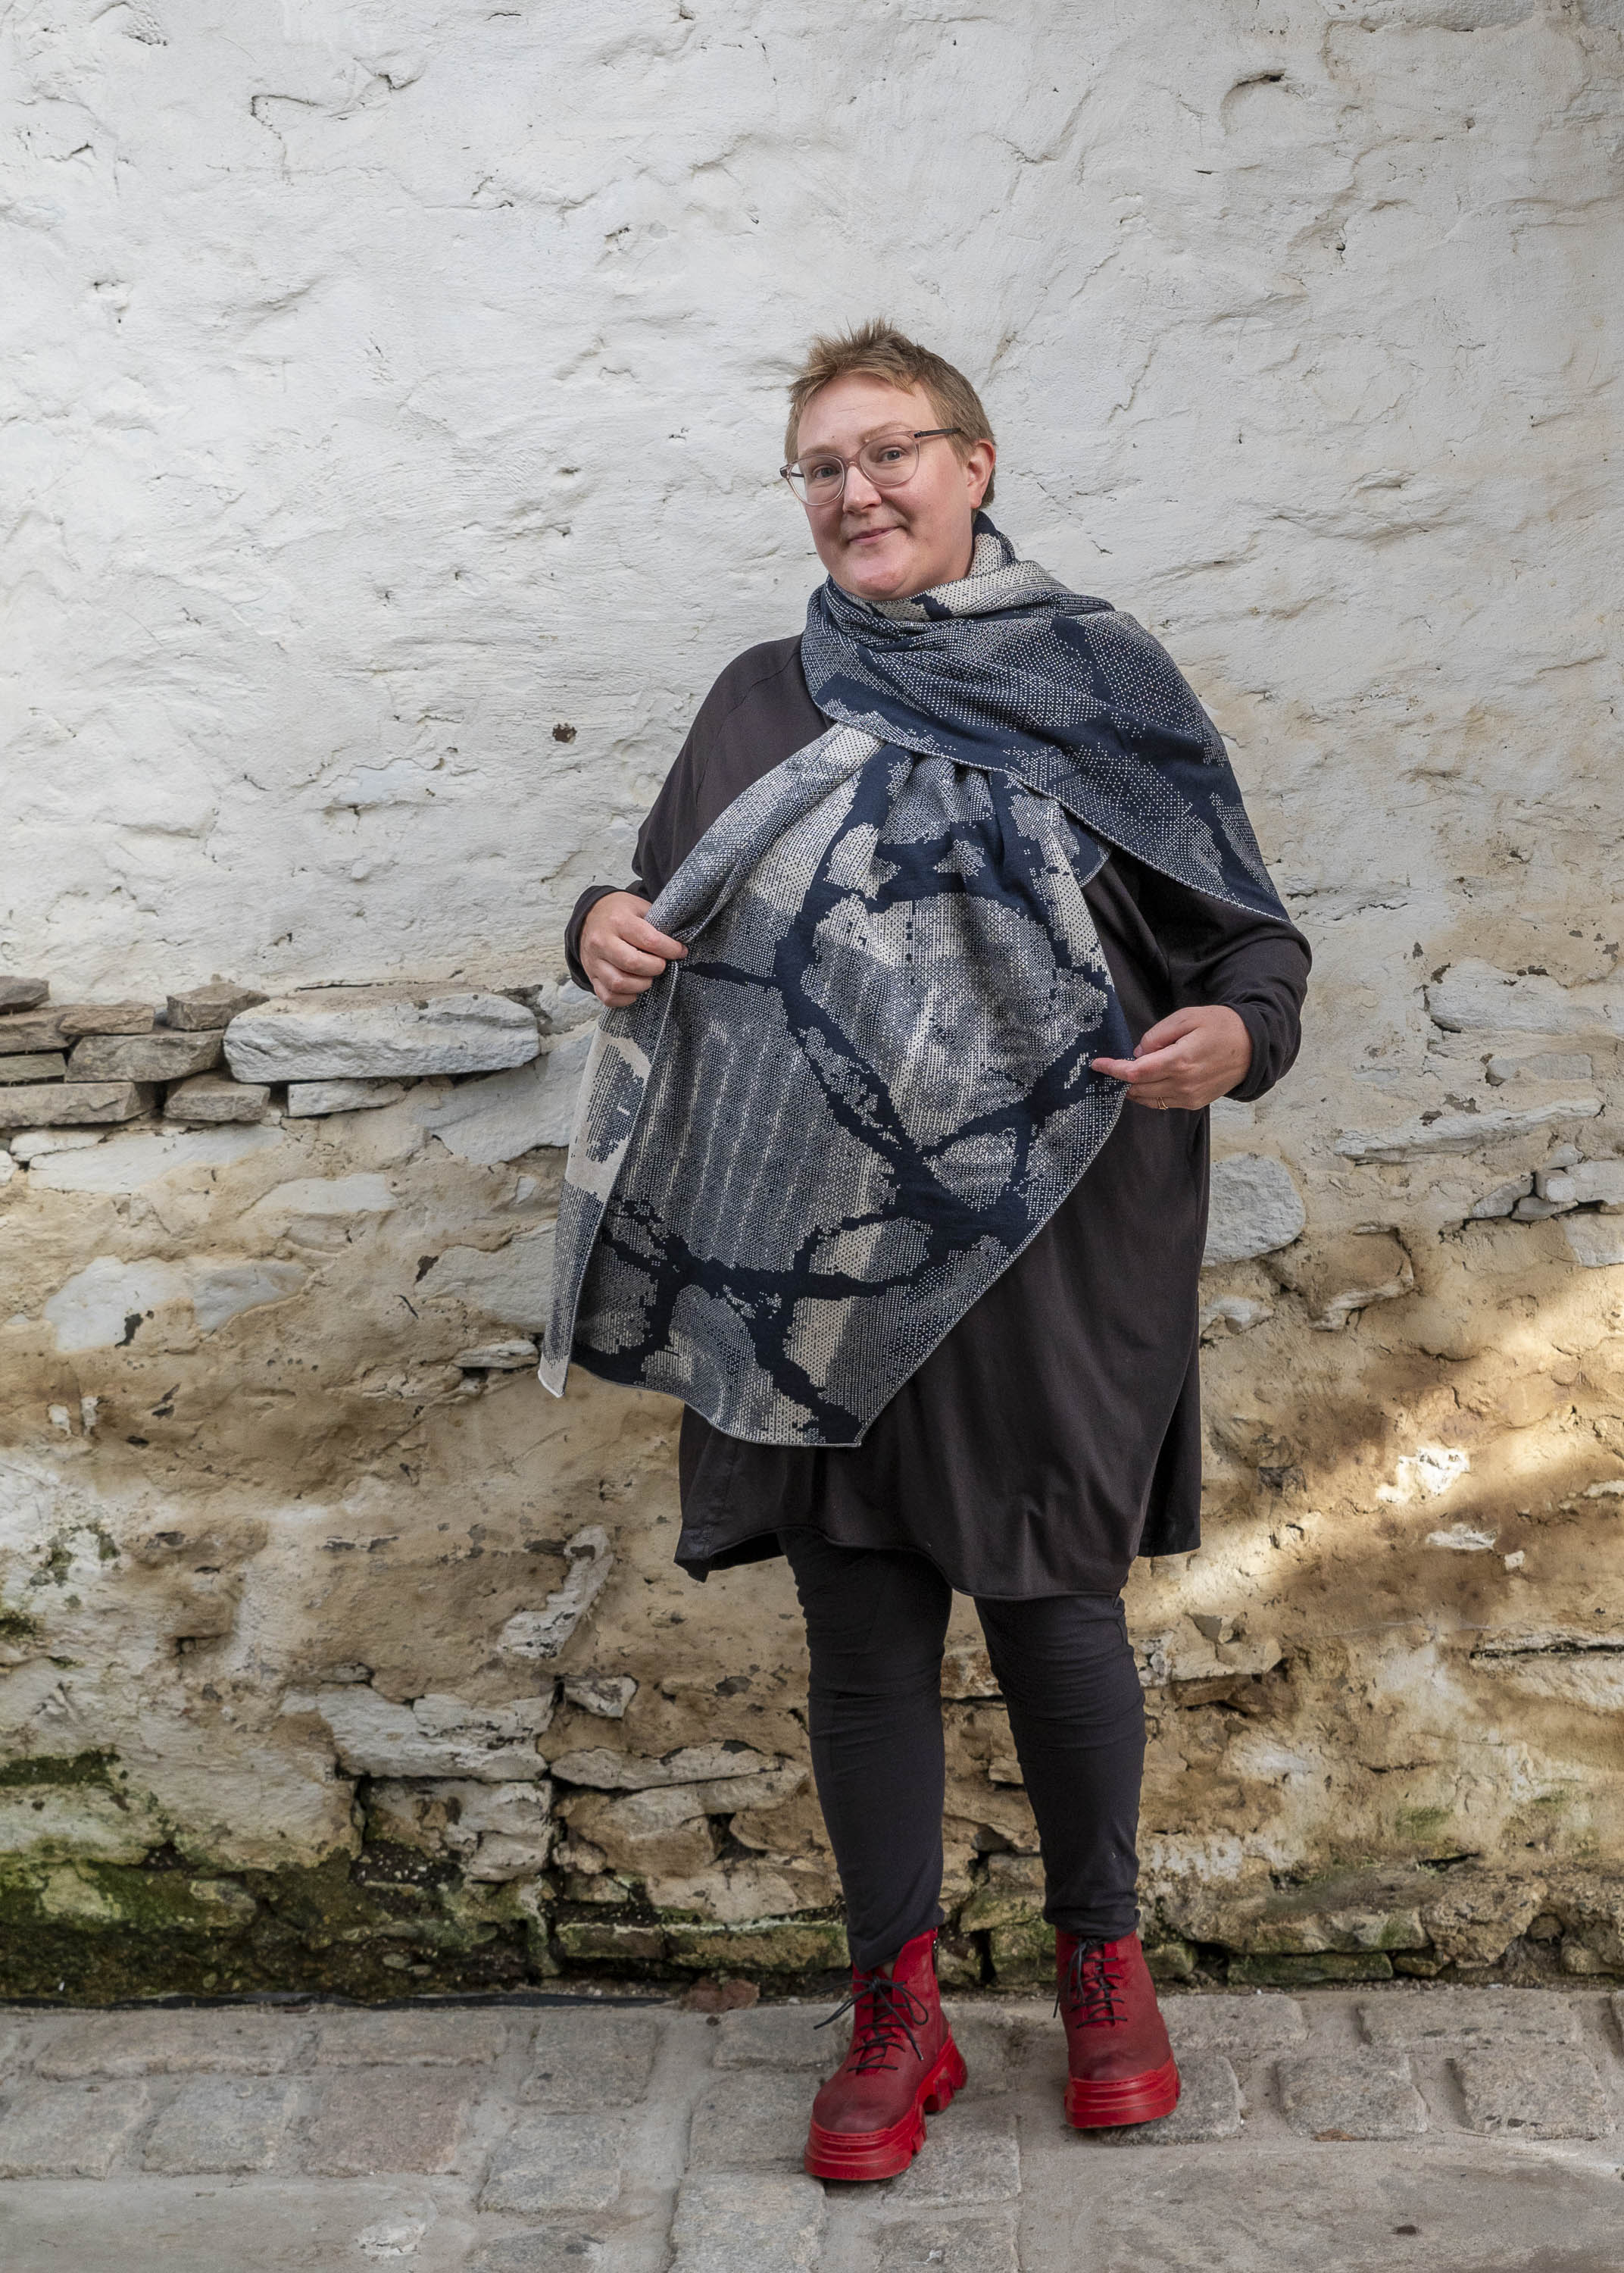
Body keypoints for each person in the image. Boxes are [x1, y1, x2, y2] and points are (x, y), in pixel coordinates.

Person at [553, 321, 1310, 2181]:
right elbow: (665, 900)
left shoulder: (1105, 682)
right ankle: (895, 2004)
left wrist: (1237, 1039)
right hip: (804, 1256)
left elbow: (1252, 954)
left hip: (1051, 1239)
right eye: (821, 466)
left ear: (976, 463)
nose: (856, 491)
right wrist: (597, 923)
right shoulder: (761, 695)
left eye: (891, 452)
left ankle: (1101, 1968)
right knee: (864, 1632)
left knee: (1056, 1612)